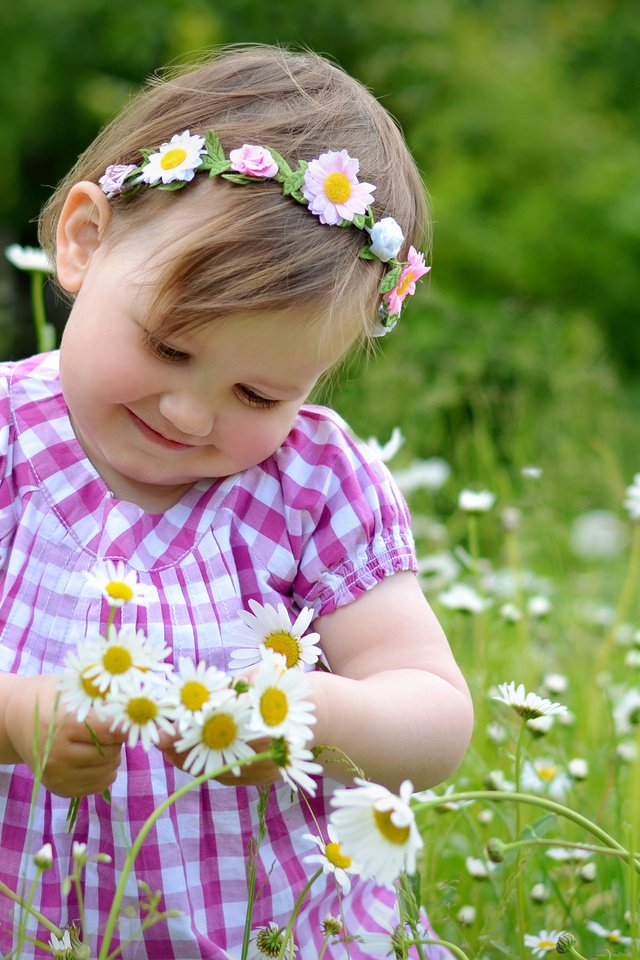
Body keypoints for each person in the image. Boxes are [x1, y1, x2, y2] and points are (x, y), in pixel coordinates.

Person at [0, 45, 473, 959]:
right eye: (169, 348)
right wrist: (19, 716)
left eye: (260, 396)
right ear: (84, 240)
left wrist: (316, 714)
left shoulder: (314, 485)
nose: (188, 413)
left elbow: (436, 717)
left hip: (264, 933)